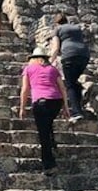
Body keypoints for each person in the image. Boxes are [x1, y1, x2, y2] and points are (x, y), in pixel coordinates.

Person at [18, 47, 69, 175]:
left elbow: (25, 89)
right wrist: (65, 107)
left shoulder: (28, 69)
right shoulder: (53, 69)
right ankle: (53, 144)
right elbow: (62, 88)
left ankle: (49, 164)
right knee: (48, 124)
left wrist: (22, 108)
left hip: (40, 102)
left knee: (43, 134)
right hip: (56, 101)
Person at [49, 14, 90, 121]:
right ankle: (79, 105)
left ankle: (76, 112)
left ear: (56, 23)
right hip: (84, 55)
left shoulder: (57, 30)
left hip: (69, 56)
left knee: (69, 84)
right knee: (74, 81)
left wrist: (49, 62)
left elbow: (56, 47)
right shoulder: (76, 28)